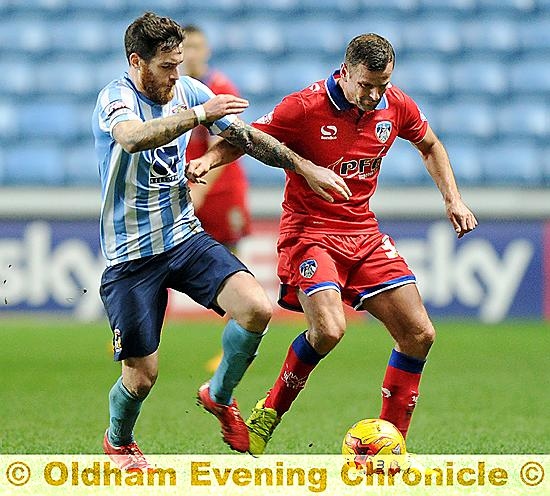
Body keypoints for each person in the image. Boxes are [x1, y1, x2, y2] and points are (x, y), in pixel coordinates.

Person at [187, 33, 478, 455]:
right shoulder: (303, 107)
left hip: (363, 233)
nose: (375, 94)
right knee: (329, 329)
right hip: (310, 234)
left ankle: (390, 446)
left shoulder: (395, 105)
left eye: (383, 84)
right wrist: (208, 160)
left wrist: (453, 197)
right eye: (366, 85)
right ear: (345, 73)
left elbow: (429, 144)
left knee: (419, 334)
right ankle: (269, 411)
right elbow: (246, 138)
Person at [92, 12, 350, 469]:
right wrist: (197, 115)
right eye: (167, 67)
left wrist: (304, 167)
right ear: (137, 61)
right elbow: (131, 140)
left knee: (255, 307)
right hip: (130, 255)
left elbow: (247, 138)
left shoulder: (189, 90)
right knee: (141, 376)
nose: (177, 75)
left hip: (184, 236)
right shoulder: (115, 98)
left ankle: (219, 394)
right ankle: (118, 439)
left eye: (179, 64)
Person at [181, 24, 251, 253]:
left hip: (220, 187)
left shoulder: (220, 88)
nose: (191, 54)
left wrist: (199, 191)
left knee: (230, 257)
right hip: (188, 183)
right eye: (186, 48)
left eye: (196, 47)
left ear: (207, 51)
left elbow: (224, 142)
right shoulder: (173, 91)